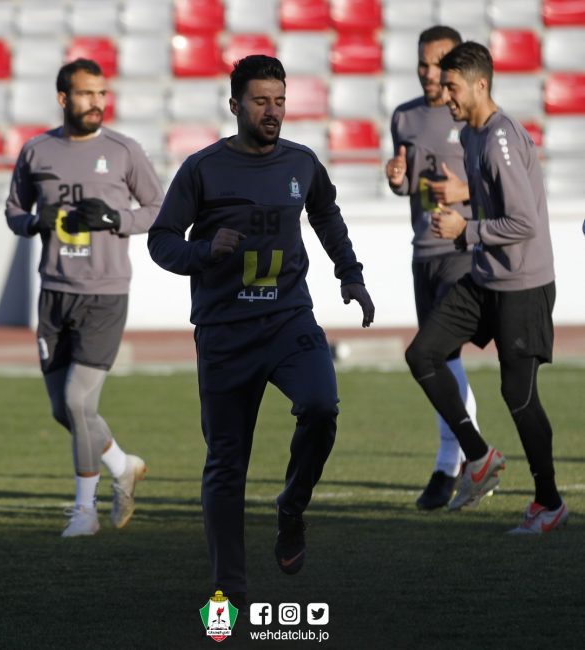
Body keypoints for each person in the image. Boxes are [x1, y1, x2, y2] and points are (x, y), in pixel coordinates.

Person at [147, 55, 374, 608]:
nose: (272, 111)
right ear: (235, 105)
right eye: (260, 101)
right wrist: (204, 251)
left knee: (321, 406)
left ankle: (291, 507)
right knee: (227, 465)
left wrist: (350, 273)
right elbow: (161, 240)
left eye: (279, 101)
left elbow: (326, 214)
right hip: (225, 333)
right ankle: (229, 592)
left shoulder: (301, 162)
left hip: (289, 320)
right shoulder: (202, 169)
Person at [405, 42, 568, 533]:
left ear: (480, 85)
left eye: (452, 86)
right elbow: (492, 200)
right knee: (423, 354)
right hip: (484, 277)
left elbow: (524, 222)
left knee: (518, 394)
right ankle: (478, 458)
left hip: (522, 285)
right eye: (443, 86)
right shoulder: (472, 134)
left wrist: (467, 230)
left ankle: (549, 503)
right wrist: (464, 212)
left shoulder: (500, 138)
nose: (445, 95)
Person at [5, 58, 165, 537]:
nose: (96, 102)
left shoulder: (123, 150)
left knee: (78, 401)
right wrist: (33, 221)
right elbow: (14, 211)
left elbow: (158, 208)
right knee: (65, 410)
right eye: (85, 93)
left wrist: (115, 219)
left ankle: (84, 512)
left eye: (101, 93)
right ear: (63, 98)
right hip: (54, 294)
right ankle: (123, 465)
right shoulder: (36, 151)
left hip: (104, 295)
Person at [386, 25, 481, 510]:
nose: (428, 73)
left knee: (437, 355)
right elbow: (410, 186)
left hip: (463, 251)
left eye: (438, 64)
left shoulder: (472, 116)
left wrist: (464, 193)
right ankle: (470, 459)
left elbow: (504, 184)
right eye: (422, 64)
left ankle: (455, 461)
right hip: (422, 251)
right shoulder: (404, 116)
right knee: (442, 361)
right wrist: (397, 180)